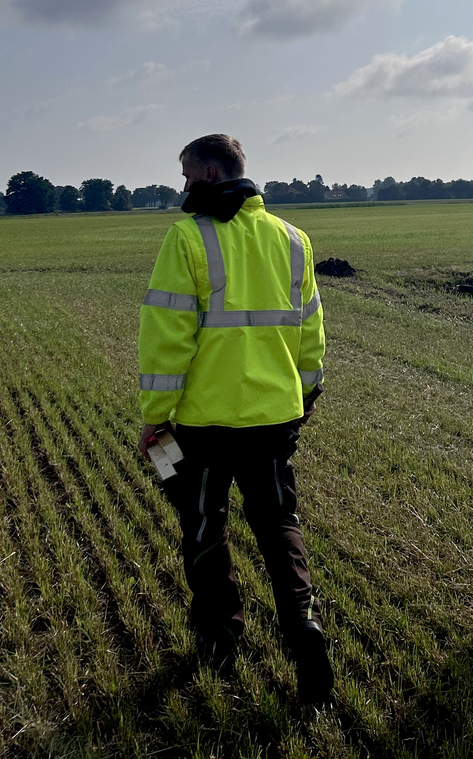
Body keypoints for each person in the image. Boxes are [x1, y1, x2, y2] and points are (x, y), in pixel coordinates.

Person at [137, 134, 332, 701]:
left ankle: (222, 637)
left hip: (204, 425)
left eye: (188, 175)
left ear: (213, 171)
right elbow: (311, 328)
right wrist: (309, 390)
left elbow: (167, 336)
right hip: (273, 421)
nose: (183, 187)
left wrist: (156, 417)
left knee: (203, 523)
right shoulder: (293, 240)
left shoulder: (187, 238)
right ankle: (302, 626)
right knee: (277, 525)